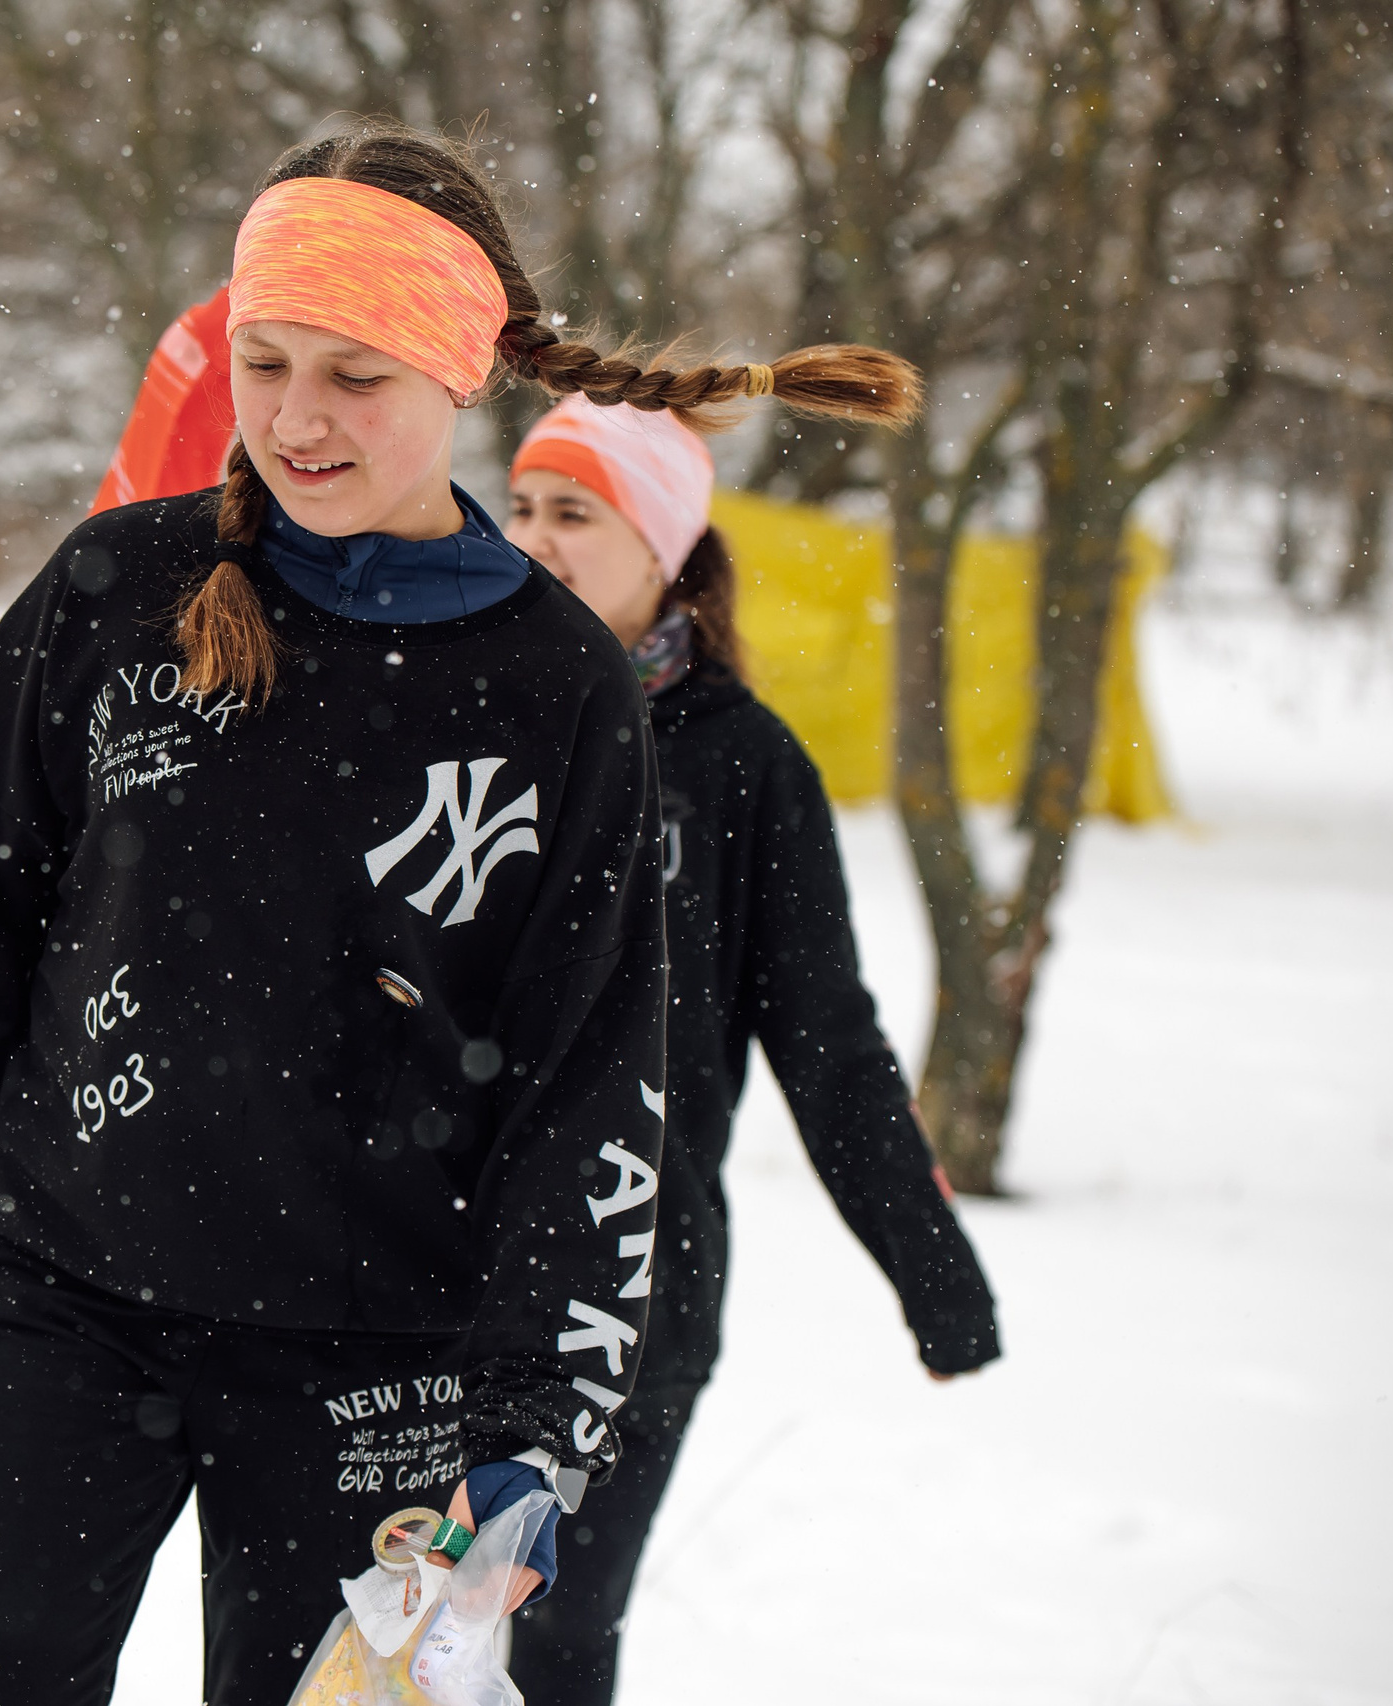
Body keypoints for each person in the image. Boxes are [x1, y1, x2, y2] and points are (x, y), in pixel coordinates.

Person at [0, 117, 922, 1706]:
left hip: (375, 1356)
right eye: (267, 361)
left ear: (461, 375)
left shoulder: (558, 688)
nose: (297, 418)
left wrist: (537, 1418)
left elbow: (590, 1076)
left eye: (357, 374)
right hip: (56, 1297)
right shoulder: (116, 594)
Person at [500, 396, 1002, 1703]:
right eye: (520, 506)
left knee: (547, 1638)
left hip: (634, 1280)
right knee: (382, 1625)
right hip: (425, 1257)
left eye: (575, 512)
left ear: (664, 547)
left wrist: (931, 1268)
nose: (533, 539)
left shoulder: (742, 767)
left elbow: (829, 1039)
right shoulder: (453, 717)